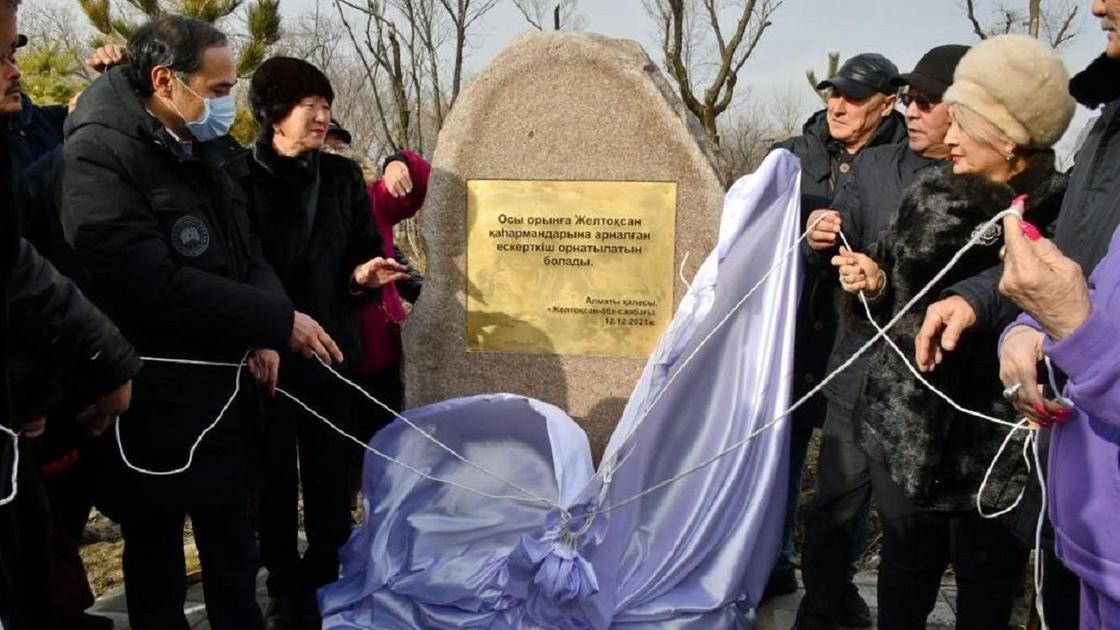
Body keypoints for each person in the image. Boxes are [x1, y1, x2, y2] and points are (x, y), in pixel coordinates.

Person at [59, 17, 343, 630]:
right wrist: (278, 320)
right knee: (157, 555)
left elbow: (247, 251)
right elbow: (149, 282)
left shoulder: (206, 147)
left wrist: (265, 331)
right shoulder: (99, 155)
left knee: (234, 550)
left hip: (228, 390)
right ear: (166, 80)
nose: (226, 104)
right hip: (153, 394)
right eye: (217, 90)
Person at [832, 34, 1073, 628]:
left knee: (985, 588)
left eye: (960, 120)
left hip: (991, 444)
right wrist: (872, 279)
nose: (949, 135)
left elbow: (1053, 297)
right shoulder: (929, 191)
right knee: (904, 574)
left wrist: (976, 303)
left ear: (1009, 137)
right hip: (905, 426)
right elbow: (891, 275)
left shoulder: (1058, 207)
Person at [793, 43, 970, 630]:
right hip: (855, 373)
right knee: (833, 509)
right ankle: (823, 610)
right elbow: (831, 253)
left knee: (907, 530)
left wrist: (885, 280)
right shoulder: (871, 167)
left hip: (923, 390)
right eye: (911, 100)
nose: (914, 111)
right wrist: (821, 240)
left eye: (927, 102)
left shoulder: (976, 182)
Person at [242, 56, 409, 630]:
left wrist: (364, 275)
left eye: (326, 106)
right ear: (274, 114)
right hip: (265, 357)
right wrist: (263, 329)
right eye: (309, 106)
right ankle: (283, 586)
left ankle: (328, 576)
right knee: (272, 479)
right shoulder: (237, 178)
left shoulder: (340, 178)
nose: (322, 117)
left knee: (330, 476)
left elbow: (360, 251)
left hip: (333, 354)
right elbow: (236, 266)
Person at [1, 4, 138, 630]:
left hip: (52, 377)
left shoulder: (32, 122)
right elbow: (18, 267)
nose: (15, 68)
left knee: (53, 527)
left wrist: (103, 94)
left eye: (15, 50)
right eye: (3, 55)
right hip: (39, 381)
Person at [765, 52, 906, 599]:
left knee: (850, 475)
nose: (837, 105)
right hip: (795, 336)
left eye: (854, 97)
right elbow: (752, 235)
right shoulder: (789, 156)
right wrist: (799, 232)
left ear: (888, 103)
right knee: (779, 459)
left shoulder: (910, 162)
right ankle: (772, 564)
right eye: (833, 93)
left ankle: (835, 587)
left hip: (863, 342)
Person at [998, 200, 1120, 629]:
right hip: (1093, 554)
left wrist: (1071, 327)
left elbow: (1086, 329)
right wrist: (1030, 326)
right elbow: (1102, 301)